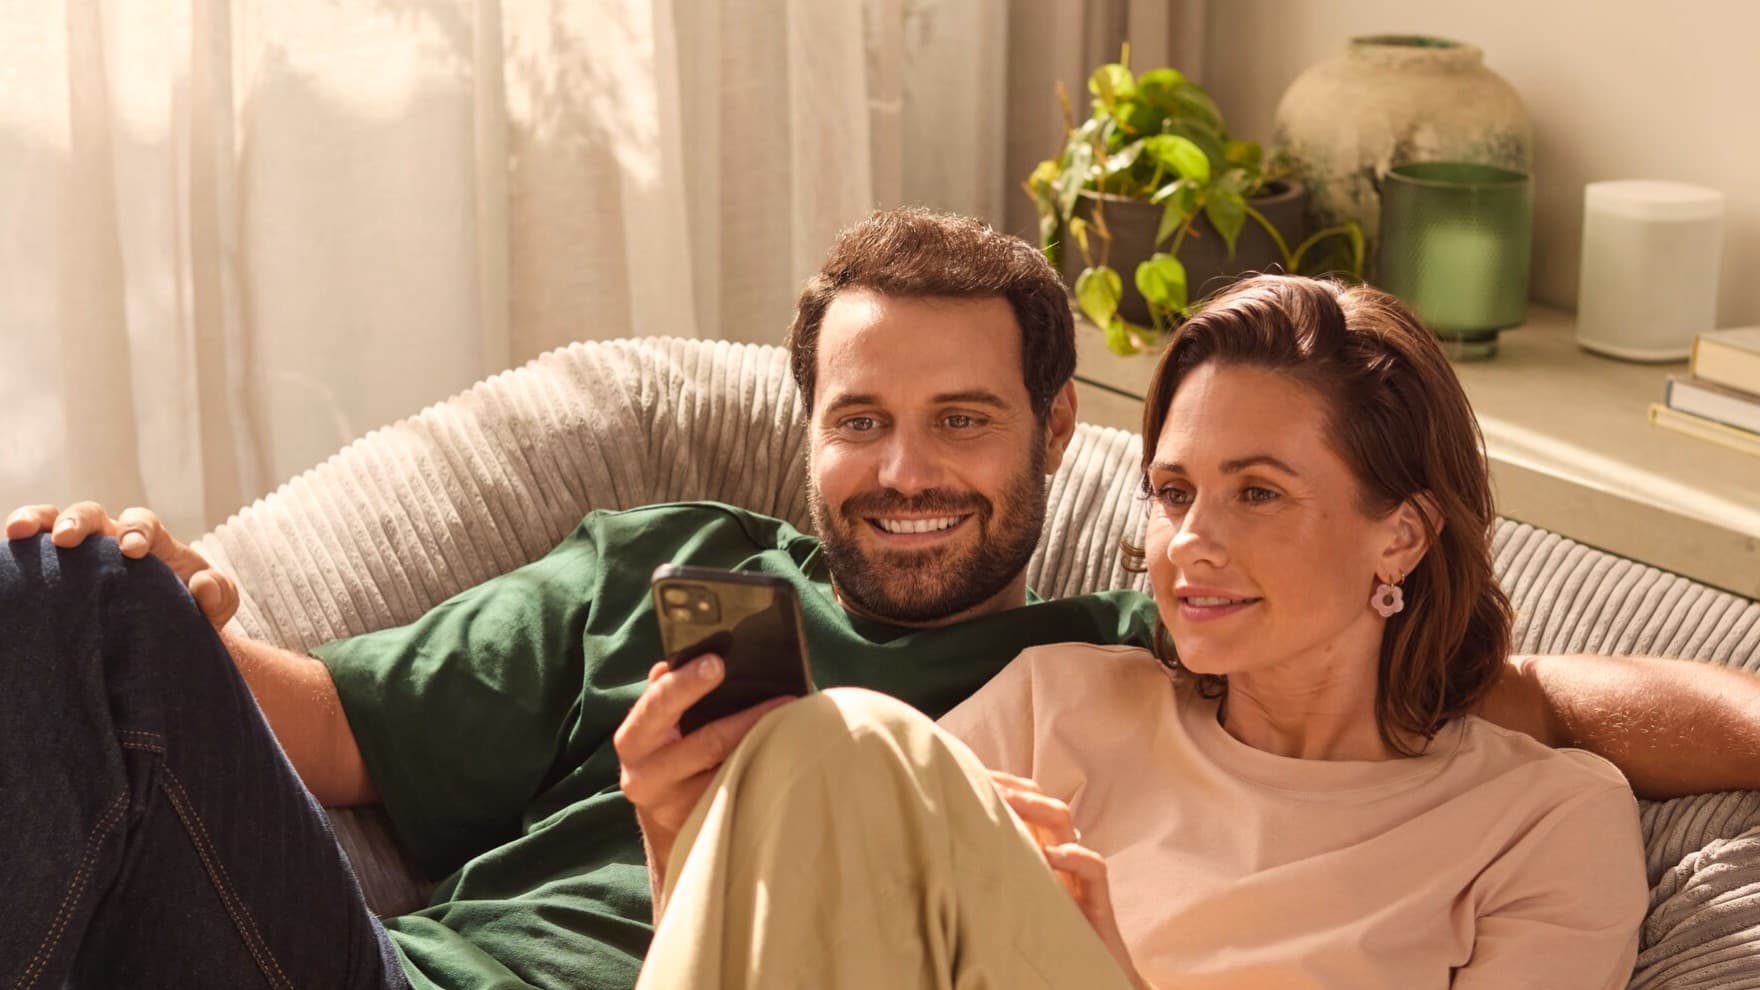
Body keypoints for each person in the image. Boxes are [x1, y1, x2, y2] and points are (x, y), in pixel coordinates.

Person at [2, 209, 1755, 989]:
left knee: (844, 753)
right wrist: (199, 621)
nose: (907, 467)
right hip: (400, 964)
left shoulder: (1112, 647)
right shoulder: (691, 576)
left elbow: (1524, 702)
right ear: (807, 435)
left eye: (964, 421)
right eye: (862, 421)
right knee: (74, 590)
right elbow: (317, 729)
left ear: (1050, 437)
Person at [627, 274, 1651, 988]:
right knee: (832, 745)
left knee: (848, 738)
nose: (1189, 543)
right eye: (1171, 492)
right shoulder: (1057, 703)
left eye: (1256, 492)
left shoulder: (1542, 821)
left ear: (1401, 536)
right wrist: (677, 842)